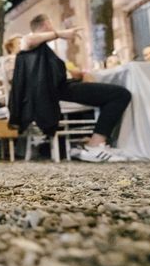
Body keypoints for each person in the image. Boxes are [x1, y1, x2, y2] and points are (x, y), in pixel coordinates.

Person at [14, 14, 131, 163]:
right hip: (59, 92)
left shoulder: (40, 47)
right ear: (46, 24)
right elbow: (28, 39)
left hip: (61, 89)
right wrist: (60, 34)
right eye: (51, 24)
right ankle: (94, 145)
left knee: (110, 93)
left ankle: (96, 143)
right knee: (120, 94)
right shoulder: (29, 42)